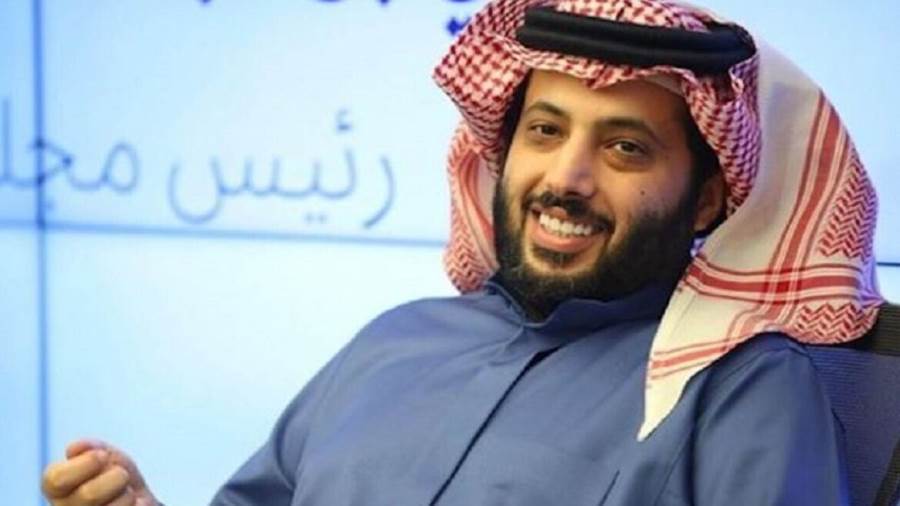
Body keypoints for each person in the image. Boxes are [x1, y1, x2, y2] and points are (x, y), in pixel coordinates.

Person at [41, 0, 883, 505]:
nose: (566, 178)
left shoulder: (742, 389)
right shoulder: (396, 340)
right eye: (544, 132)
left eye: (625, 148)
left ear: (704, 198)